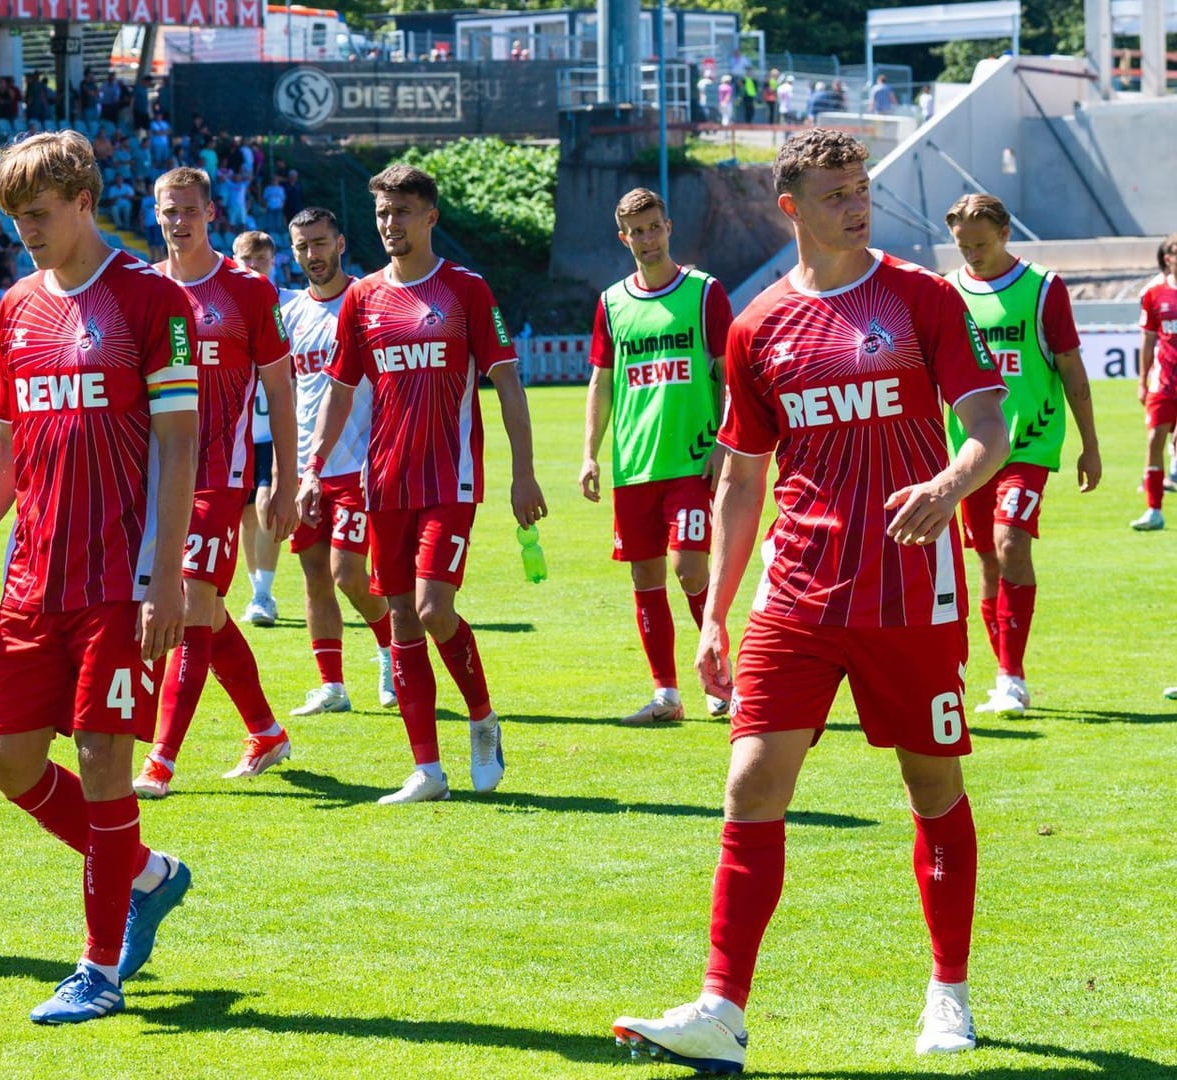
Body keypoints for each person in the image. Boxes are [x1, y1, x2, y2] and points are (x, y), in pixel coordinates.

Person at [611, 129, 1010, 1071]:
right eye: (835, 192)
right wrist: (713, 610)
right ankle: (721, 1009)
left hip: (910, 587)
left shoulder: (923, 298)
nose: (856, 204)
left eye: (862, 187)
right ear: (791, 207)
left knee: (931, 786)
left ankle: (948, 993)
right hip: (795, 591)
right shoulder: (757, 327)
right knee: (750, 783)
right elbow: (743, 479)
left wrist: (951, 485)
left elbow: (986, 428)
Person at [0, 131, 195, 1024]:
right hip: (33, 576)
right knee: (6, 761)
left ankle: (99, 969)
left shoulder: (150, 299)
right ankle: (148, 875)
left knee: (104, 760)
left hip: (119, 577)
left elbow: (180, 442)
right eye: (15, 220)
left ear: (83, 200)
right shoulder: (14, 309)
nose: (26, 233)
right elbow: (6, 444)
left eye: (37, 215)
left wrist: (165, 575)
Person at [300, 164, 547, 804]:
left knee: (435, 609)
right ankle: (427, 771)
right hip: (384, 482)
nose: (390, 224)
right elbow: (340, 389)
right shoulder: (362, 298)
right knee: (404, 619)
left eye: (402, 212)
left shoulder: (465, 290)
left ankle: (483, 719)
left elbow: (508, 382)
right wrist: (312, 467)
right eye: (382, 213)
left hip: (450, 481)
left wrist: (523, 473)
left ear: (430, 216)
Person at [132, 168, 299, 799]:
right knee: (209, 612)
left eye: (190, 211)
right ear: (156, 214)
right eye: (168, 211)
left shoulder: (249, 291)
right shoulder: (142, 289)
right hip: (154, 476)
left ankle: (161, 760)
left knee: (193, 603)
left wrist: (281, 477)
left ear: (211, 214)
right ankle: (265, 730)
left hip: (220, 475)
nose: (179, 222)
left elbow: (280, 390)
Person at [943, 193, 1101, 716]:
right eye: (964, 246)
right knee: (987, 560)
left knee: (1010, 544)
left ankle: (1011, 677)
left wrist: (1090, 446)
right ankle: (1007, 676)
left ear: (1006, 233)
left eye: (982, 244)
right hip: (971, 449)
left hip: (1028, 443)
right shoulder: (947, 290)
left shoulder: (1042, 288)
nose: (973, 255)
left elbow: (1072, 370)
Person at [580, 188, 733, 725]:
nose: (647, 239)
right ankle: (666, 695)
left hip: (691, 462)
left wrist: (722, 440)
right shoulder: (612, 303)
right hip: (635, 466)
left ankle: (720, 677)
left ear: (668, 227)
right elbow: (601, 381)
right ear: (624, 238)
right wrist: (589, 455)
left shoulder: (703, 293)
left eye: (653, 227)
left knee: (689, 570)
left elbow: (725, 371)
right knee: (645, 581)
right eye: (635, 232)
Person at [280, 206, 395, 716]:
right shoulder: (290, 314)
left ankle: (393, 652)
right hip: (309, 469)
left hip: (361, 464)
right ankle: (332, 686)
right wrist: (284, 472)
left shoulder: (367, 300)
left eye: (321, 242)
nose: (313, 254)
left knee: (349, 574)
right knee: (314, 575)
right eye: (303, 246)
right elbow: (287, 393)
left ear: (341, 242)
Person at [231, 230, 283, 629]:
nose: (255, 270)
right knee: (249, 514)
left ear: (273, 262)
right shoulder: (229, 307)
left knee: (265, 506)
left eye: (261, 262)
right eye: (247, 262)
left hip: (272, 431)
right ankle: (258, 590)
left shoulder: (288, 304)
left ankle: (263, 593)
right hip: (240, 432)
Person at [1133, 234, 1177, 530]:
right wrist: (1142, 380)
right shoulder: (1155, 295)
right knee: (1153, 442)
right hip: (1163, 383)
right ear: (1168, 257)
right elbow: (1148, 341)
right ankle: (1154, 511)